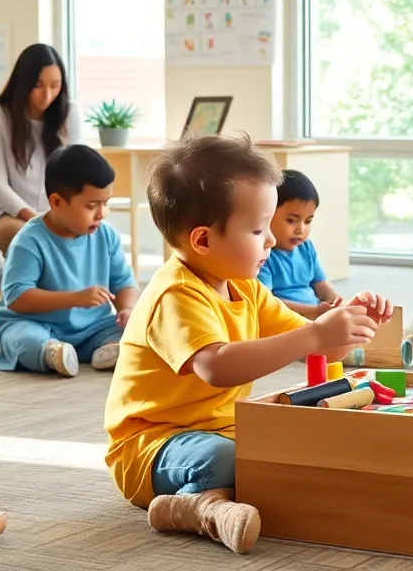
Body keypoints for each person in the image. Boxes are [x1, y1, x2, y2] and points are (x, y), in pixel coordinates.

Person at [104, 135, 393, 555]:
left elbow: (322, 352)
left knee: (298, 446)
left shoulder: (246, 287)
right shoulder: (175, 294)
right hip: (154, 448)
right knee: (223, 460)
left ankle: (205, 501)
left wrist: (346, 323)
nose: (272, 241)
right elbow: (217, 366)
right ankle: (197, 506)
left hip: (227, 430)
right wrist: (314, 333)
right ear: (202, 240)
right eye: (259, 229)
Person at [0, 144, 137, 377]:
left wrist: (127, 309)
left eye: (106, 203)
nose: (101, 214)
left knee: (138, 331)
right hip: (35, 324)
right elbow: (17, 298)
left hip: (94, 327)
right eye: (91, 206)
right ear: (57, 202)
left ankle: (110, 349)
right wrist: (76, 298)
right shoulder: (29, 240)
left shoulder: (106, 234)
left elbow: (123, 280)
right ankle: (52, 353)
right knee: (20, 338)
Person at [0, 44, 84, 251]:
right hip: (13, 215)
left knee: (97, 238)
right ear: (23, 83)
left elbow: (78, 174)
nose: (47, 95)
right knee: (33, 239)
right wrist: (34, 217)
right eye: (38, 85)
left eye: (55, 86)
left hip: (60, 213)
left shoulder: (69, 113)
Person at [257, 170, 342, 318]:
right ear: (267, 215)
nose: (300, 229)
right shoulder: (263, 255)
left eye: (308, 221)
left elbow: (322, 286)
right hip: (285, 321)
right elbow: (267, 303)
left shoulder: (306, 248)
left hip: (315, 318)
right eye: (291, 220)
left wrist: (339, 304)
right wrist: (314, 312)